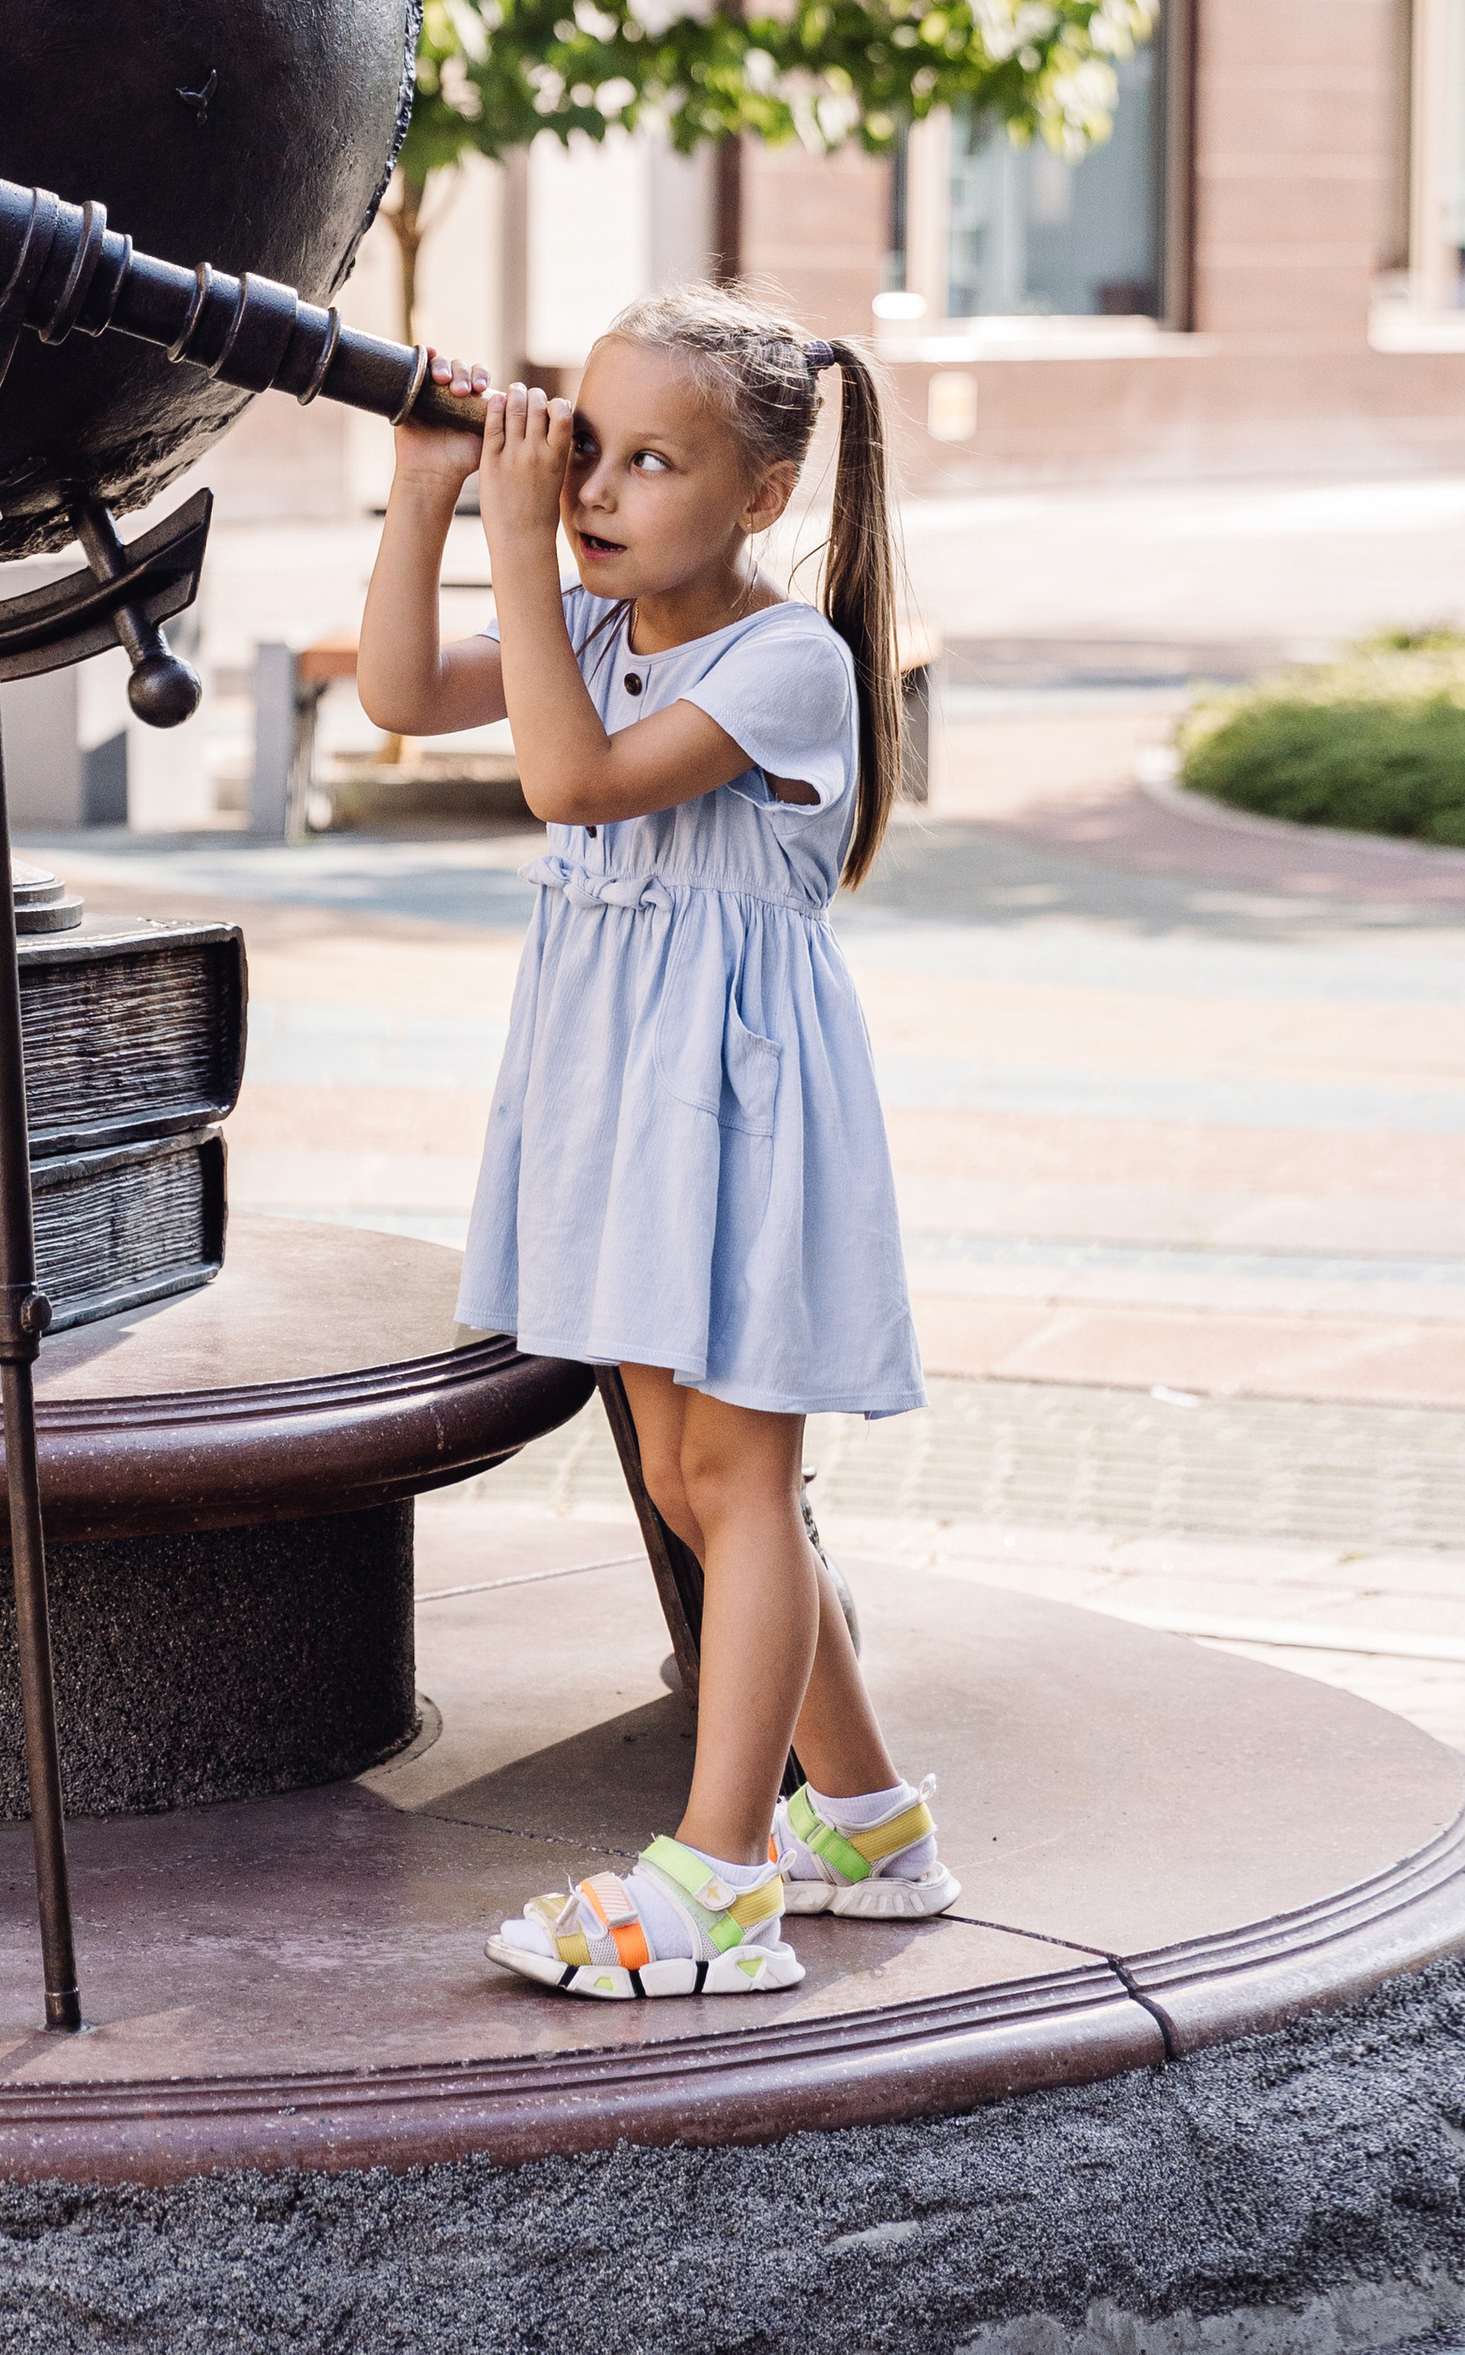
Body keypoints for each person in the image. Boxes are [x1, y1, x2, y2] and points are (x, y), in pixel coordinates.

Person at [355, 289, 954, 2000]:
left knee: (743, 1481)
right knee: (690, 1481)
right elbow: (404, 685)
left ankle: (721, 1881)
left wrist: (527, 539)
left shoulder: (787, 660)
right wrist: (426, 500)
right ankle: (869, 1819)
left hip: (741, 1112)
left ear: (763, 498)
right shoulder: (604, 629)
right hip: (628, 1103)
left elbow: (571, 782)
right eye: (589, 450)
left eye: (653, 463)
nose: (600, 490)